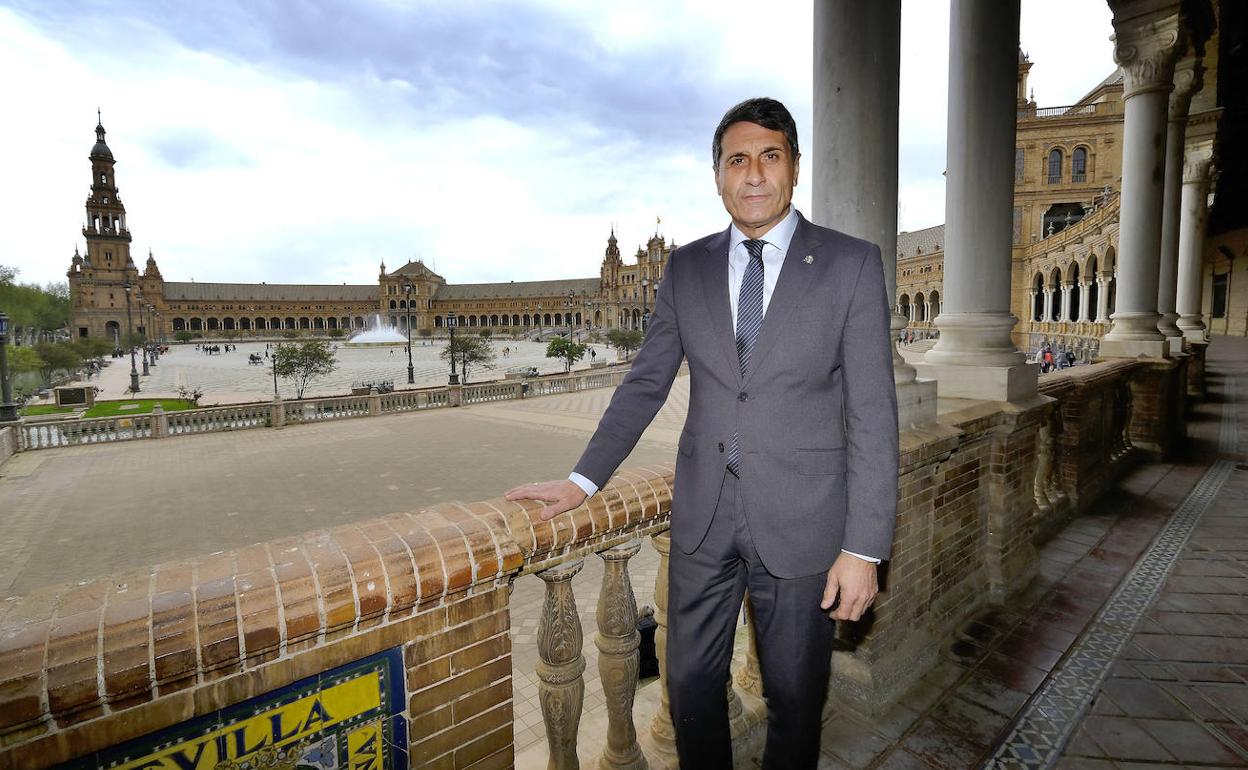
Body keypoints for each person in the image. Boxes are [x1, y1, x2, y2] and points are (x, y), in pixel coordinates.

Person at [506, 98, 898, 768]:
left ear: (794, 169)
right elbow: (645, 382)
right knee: (688, 691)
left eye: (769, 157)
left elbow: (872, 411)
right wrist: (582, 478)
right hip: (704, 518)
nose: (753, 174)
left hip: (805, 522)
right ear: (717, 175)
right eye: (737, 159)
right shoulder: (684, 269)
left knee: (796, 701)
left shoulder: (850, 264)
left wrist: (864, 547)